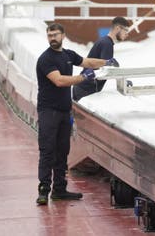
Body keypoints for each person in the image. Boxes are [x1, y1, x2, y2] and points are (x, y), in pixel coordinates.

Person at [35, 23, 114, 205]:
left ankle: (59, 190)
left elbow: (87, 62)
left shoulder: (68, 55)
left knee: (63, 151)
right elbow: (59, 81)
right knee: (48, 151)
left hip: (64, 111)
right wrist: (83, 78)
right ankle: (43, 191)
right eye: (49, 35)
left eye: (55, 35)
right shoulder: (46, 59)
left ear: (63, 35)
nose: (52, 38)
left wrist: (106, 63)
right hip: (48, 111)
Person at [73, 17, 129, 102]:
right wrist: (122, 81)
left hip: (82, 88)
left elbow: (104, 66)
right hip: (85, 90)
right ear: (117, 28)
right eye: (126, 30)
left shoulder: (104, 41)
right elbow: (106, 70)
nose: (127, 34)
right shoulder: (107, 44)